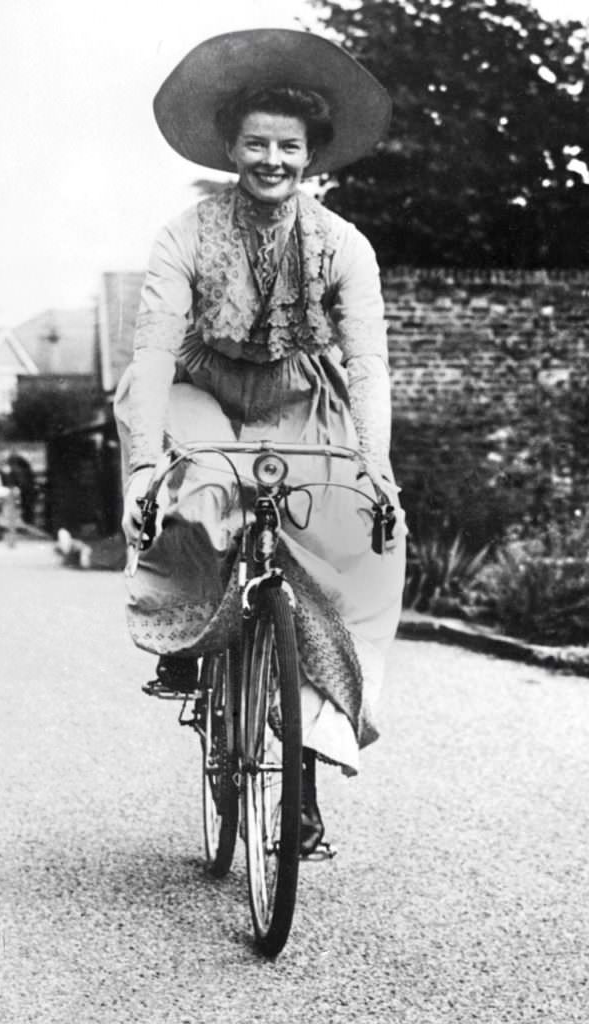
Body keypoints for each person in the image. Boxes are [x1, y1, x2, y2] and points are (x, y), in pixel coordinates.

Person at [114, 29, 406, 855]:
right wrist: (143, 466)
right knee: (201, 494)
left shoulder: (345, 246)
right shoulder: (184, 234)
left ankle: (306, 775)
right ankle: (186, 633)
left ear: (313, 158)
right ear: (231, 149)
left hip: (298, 394)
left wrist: (374, 467)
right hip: (199, 386)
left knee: (349, 538)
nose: (271, 160)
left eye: (289, 148)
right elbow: (152, 351)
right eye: (255, 144)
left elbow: (369, 363)